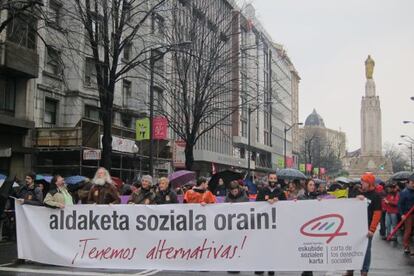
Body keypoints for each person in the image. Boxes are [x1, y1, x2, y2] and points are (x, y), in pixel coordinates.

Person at [344, 173, 382, 276]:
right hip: (355, 227)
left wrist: (372, 229)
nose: (361, 183)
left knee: (366, 251)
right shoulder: (358, 192)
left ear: (369, 183)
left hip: (367, 228)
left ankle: (364, 272)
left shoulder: (376, 196)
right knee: (351, 249)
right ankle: (350, 270)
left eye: (363, 182)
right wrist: (356, 198)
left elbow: (377, 213)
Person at [255, 173, 286, 275]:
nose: (272, 180)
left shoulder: (280, 192)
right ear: (268, 179)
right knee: (261, 245)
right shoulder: (263, 191)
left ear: (276, 180)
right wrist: (265, 200)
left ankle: (271, 267)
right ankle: (260, 267)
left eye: (274, 179)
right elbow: (256, 203)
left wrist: (279, 201)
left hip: (275, 223)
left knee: (272, 246)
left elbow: (287, 206)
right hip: (264, 223)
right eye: (271, 178)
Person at [398, 173, 414, 255]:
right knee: (408, 231)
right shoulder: (404, 192)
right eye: (412, 183)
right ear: (408, 183)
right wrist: (402, 214)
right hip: (408, 214)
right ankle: (406, 247)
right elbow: (400, 205)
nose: (413, 185)